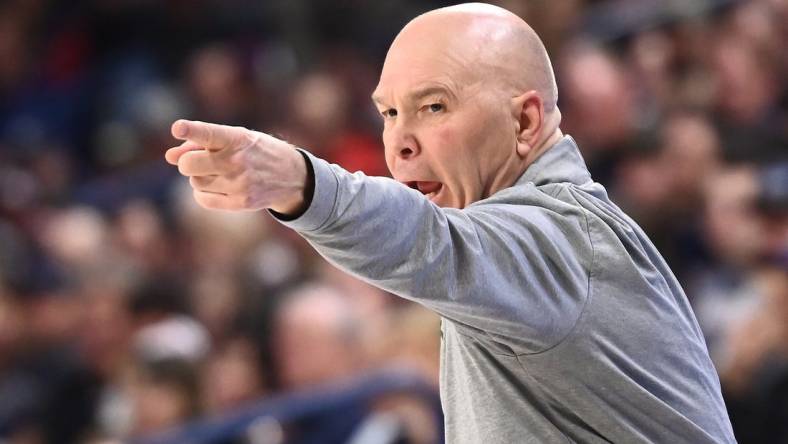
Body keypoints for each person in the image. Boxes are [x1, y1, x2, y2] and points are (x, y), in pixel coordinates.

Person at [164, 3, 735, 443]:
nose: (399, 143)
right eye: (388, 113)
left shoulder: (566, 239)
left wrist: (301, 183)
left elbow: (432, 243)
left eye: (433, 106)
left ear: (525, 120)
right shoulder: (519, 253)